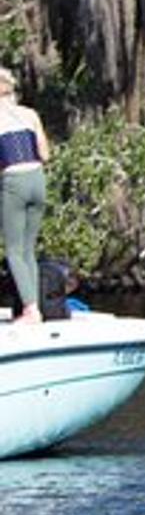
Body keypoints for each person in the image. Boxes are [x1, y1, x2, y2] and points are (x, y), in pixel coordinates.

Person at [0, 67, 50, 327]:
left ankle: (31, 311)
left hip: (14, 182)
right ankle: (35, 307)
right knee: (28, 249)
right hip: (37, 180)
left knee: (13, 251)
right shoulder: (30, 114)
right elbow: (45, 154)